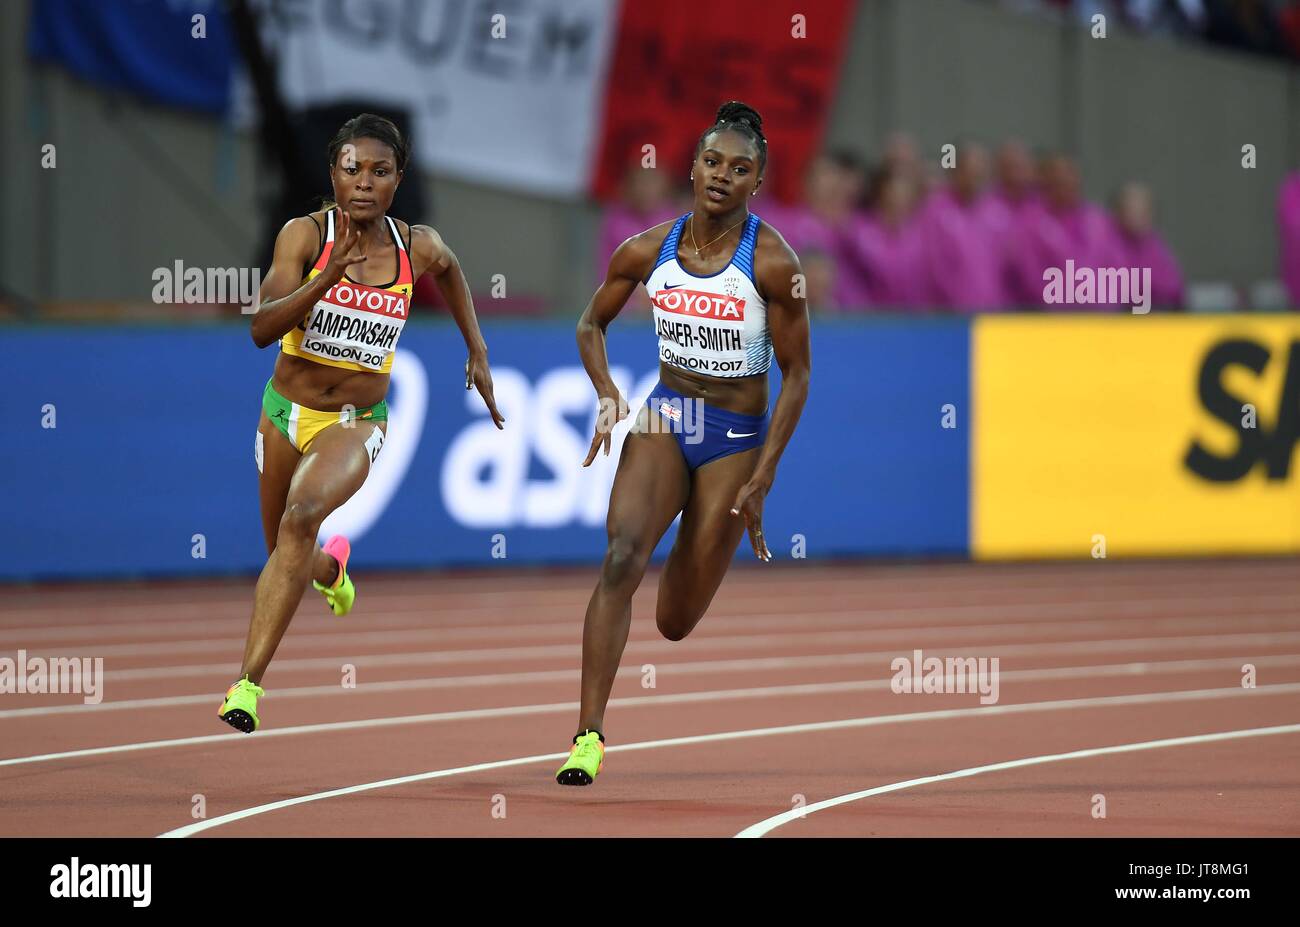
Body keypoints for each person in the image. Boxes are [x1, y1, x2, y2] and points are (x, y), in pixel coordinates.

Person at [218, 113, 504, 733]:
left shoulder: (415, 247)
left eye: (380, 171)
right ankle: (331, 570)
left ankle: (247, 687)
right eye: (352, 169)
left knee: (299, 520)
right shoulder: (303, 236)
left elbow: (451, 269)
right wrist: (327, 277)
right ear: (334, 175)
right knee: (285, 554)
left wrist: (476, 349)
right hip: (283, 415)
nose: (365, 182)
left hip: (354, 421)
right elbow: (261, 327)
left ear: (398, 180)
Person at [560, 101, 812, 785]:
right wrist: (607, 390)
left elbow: (798, 373)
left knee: (674, 620)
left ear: (757, 181)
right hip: (667, 417)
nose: (723, 176)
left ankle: (696, 530)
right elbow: (590, 323)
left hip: (734, 438)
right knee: (620, 558)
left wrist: (764, 474)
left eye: (740, 168)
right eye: (712, 162)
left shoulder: (774, 263)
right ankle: (587, 736)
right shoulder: (646, 250)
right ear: (693, 168)